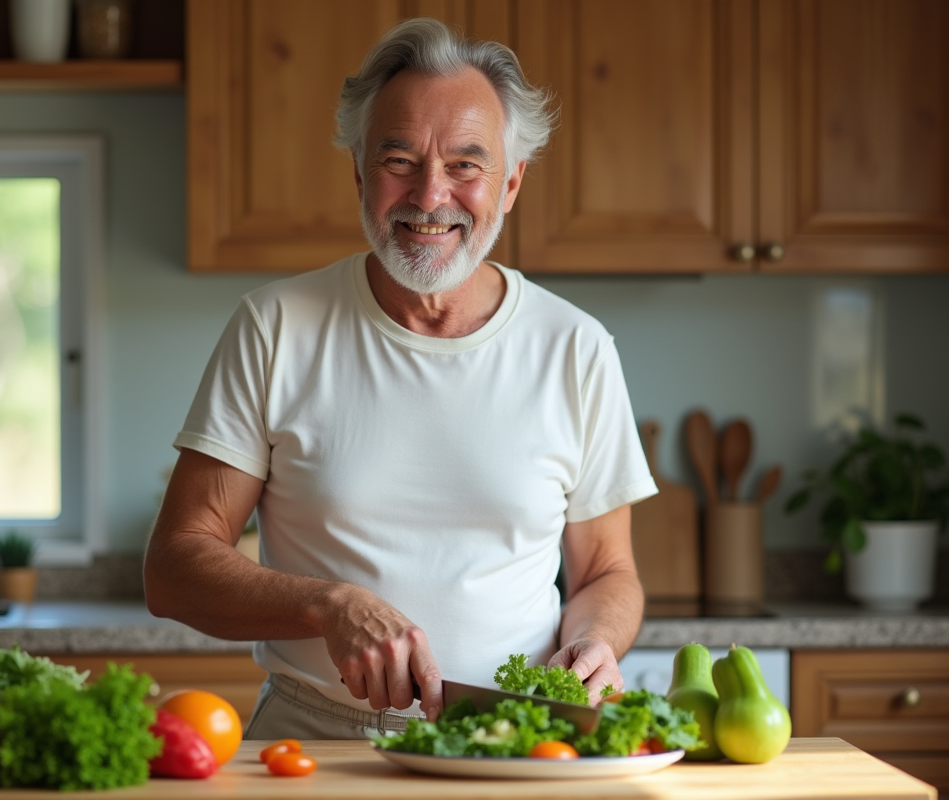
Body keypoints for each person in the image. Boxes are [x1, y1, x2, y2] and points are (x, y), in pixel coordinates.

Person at [144, 17, 657, 740]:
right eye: (399, 160)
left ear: (510, 184)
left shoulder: (575, 347)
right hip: (317, 739)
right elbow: (173, 568)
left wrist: (599, 639)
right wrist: (327, 604)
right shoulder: (275, 326)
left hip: (517, 742)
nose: (429, 194)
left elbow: (608, 571)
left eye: (465, 165)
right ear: (359, 170)